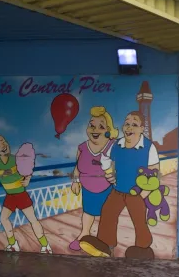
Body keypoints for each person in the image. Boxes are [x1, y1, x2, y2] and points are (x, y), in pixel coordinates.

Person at [79, 111, 160, 259]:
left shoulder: (149, 147)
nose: (129, 127)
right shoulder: (117, 144)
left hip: (136, 192)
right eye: (127, 123)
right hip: (117, 190)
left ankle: (143, 248)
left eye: (134, 124)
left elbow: (155, 171)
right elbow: (106, 159)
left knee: (138, 219)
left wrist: (144, 193)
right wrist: (109, 173)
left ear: (142, 128)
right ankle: (105, 245)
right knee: (108, 213)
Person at [69, 106, 119, 251]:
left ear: (108, 130)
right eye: (92, 125)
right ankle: (83, 235)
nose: (95, 129)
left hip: (107, 187)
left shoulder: (113, 146)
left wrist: (115, 175)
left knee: (107, 215)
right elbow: (77, 167)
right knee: (88, 213)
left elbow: (120, 165)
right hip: (87, 187)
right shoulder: (82, 148)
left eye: (101, 127)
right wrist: (76, 181)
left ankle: (105, 241)